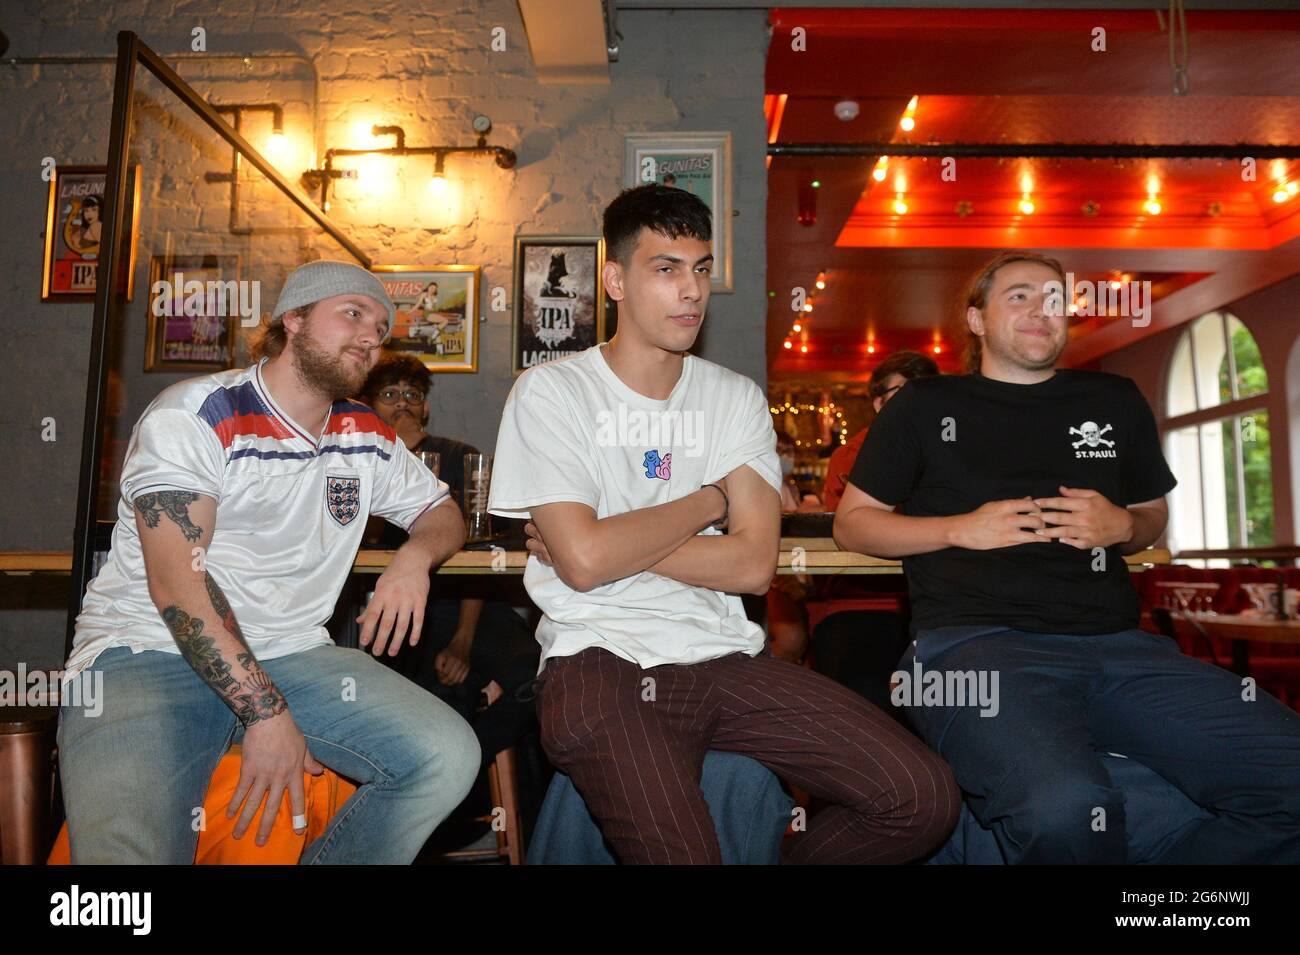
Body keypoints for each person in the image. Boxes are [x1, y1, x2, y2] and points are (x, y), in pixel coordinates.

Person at [488, 183, 959, 864]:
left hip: (722, 654)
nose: (691, 290)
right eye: (666, 268)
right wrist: (710, 502)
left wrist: (605, 537)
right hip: (598, 661)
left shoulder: (733, 398)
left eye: (701, 268)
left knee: (921, 796)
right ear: (615, 279)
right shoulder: (553, 391)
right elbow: (586, 566)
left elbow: (750, 565)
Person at [833, 250, 1300, 863]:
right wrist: (958, 529)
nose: (1041, 310)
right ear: (976, 321)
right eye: (1020, 295)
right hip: (976, 647)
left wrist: (1124, 524)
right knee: (1066, 812)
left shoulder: (1114, 399)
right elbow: (853, 525)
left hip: (1120, 647)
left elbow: (1153, 518)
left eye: (1055, 298)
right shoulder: (924, 405)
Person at [58, 260, 480, 864]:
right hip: (147, 649)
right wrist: (266, 713)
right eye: (353, 315)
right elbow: (179, 590)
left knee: (445, 755)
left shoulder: (365, 433)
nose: (370, 336)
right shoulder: (199, 413)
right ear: (295, 319)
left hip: (293, 651)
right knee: (126, 865)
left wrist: (416, 555)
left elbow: (444, 516)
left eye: (382, 328)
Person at [359, 352, 541, 770]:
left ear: (425, 406)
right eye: (389, 393)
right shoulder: (357, 458)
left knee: (538, 678)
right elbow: (364, 539)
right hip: (398, 607)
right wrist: (392, 454)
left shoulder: (458, 455)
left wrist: (462, 640)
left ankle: (463, 779)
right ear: (370, 405)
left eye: (412, 393)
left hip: (472, 603)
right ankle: (443, 780)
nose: (402, 402)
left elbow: (474, 552)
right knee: (435, 703)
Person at [812, 349, 939, 713]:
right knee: (864, 699)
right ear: (879, 403)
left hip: (935, 602)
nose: (915, 406)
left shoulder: (956, 450)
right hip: (858, 601)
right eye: (902, 396)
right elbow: (855, 529)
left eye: (925, 395)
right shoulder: (852, 455)